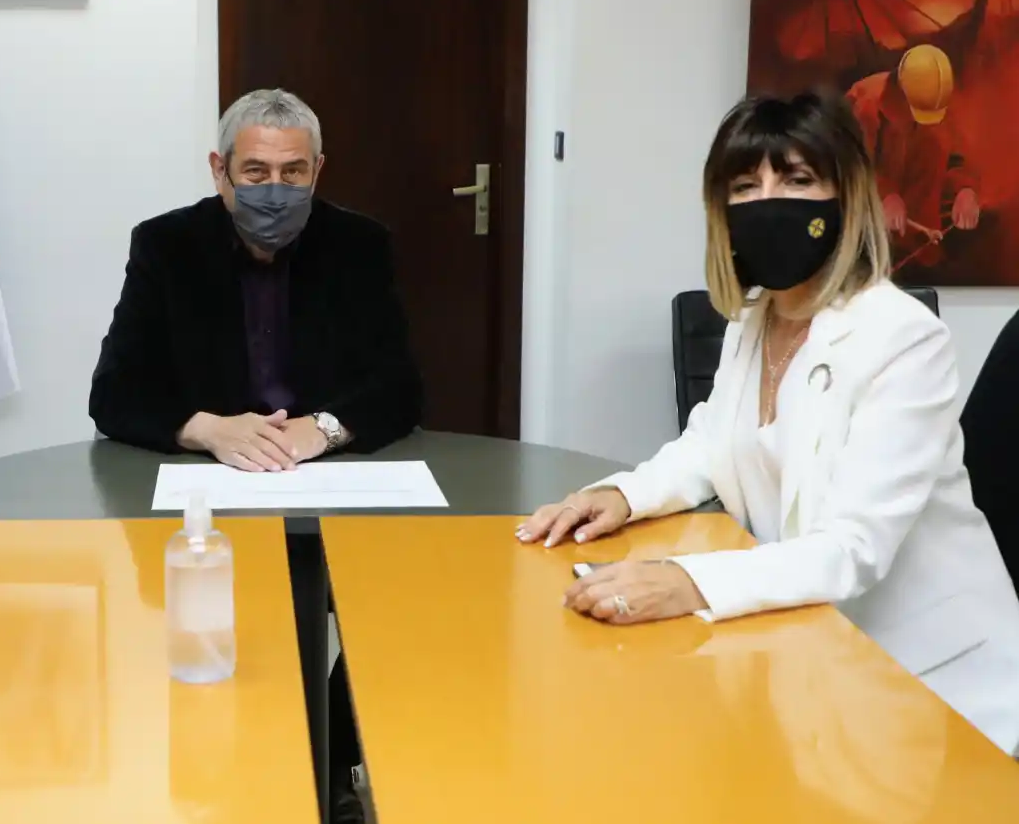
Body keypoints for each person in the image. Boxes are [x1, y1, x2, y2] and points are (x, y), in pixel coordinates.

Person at [517, 91, 1019, 755]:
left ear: (847, 197)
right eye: (745, 186)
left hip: (932, 689)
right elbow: (708, 443)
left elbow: (853, 548)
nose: (768, 201)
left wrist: (690, 579)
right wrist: (620, 494)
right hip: (818, 658)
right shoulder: (754, 321)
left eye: (798, 179)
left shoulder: (903, 337)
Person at [90, 88, 422, 822]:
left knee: (396, 609)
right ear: (219, 169)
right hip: (213, 492)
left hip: (332, 482)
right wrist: (208, 427)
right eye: (256, 171)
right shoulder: (165, 245)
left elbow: (401, 388)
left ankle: (332, 770)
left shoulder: (360, 244)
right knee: (216, 624)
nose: (275, 190)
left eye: (294, 173)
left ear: (319, 171)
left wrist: (324, 427)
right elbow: (113, 392)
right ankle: (233, 774)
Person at [845, 44, 980, 269]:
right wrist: (884, 196)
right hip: (867, 244)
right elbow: (849, 165)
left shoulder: (938, 99)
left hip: (921, 244)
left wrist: (965, 190)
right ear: (900, 90)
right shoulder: (865, 105)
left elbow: (957, 156)